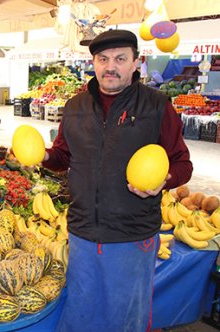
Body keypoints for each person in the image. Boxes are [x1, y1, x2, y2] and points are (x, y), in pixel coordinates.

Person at [42, 30, 193, 331]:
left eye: (120, 59)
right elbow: (62, 157)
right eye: (103, 59)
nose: (111, 66)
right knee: (82, 313)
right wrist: (43, 157)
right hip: (83, 233)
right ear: (94, 64)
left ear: (136, 63)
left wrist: (165, 179)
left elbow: (182, 163)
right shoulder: (75, 107)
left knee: (124, 318)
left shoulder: (156, 106)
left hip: (131, 236)